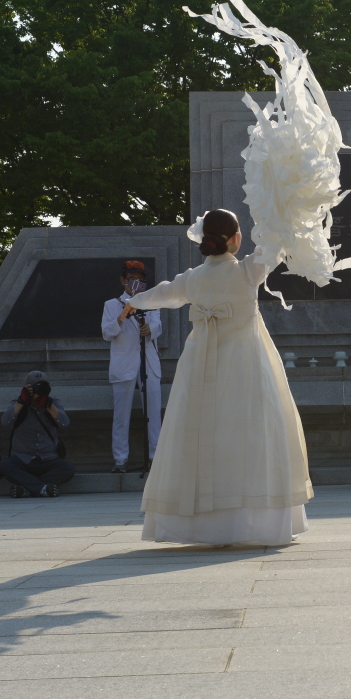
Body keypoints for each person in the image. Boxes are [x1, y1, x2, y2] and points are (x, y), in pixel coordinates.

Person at [124, 208, 312, 546]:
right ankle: (255, 520)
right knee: (251, 432)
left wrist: (134, 302)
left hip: (200, 362)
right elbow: (274, 246)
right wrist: (286, 210)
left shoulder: (192, 278)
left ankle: (197, 522)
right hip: (246, 362)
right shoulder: (246, 271)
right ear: (236, 239)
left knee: (197, 432)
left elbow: (163, 294)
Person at [102, 260, 162, 472]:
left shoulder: (151, 301)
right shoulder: (111, 304)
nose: (136, 283)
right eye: (132, 279)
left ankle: (155, 456)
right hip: (123, 363)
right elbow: (107, 333)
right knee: (121, 414)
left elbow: (157, 325)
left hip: (148, 362)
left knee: (153, 412)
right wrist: (123, 314)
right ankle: (120, 459)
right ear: (123, 280)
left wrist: (150, 329)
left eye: (140, 280)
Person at [0, 370, 74, 497]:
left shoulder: (53, 403)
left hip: (48, 458)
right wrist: (22, 401)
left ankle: (28, 489)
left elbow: (65, 423)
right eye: (36, 386)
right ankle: (43, 488)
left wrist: (48, 404)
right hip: (23, 459)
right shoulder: (18, 403)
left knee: (68, 469)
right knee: (5, 466)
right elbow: (5, 421)